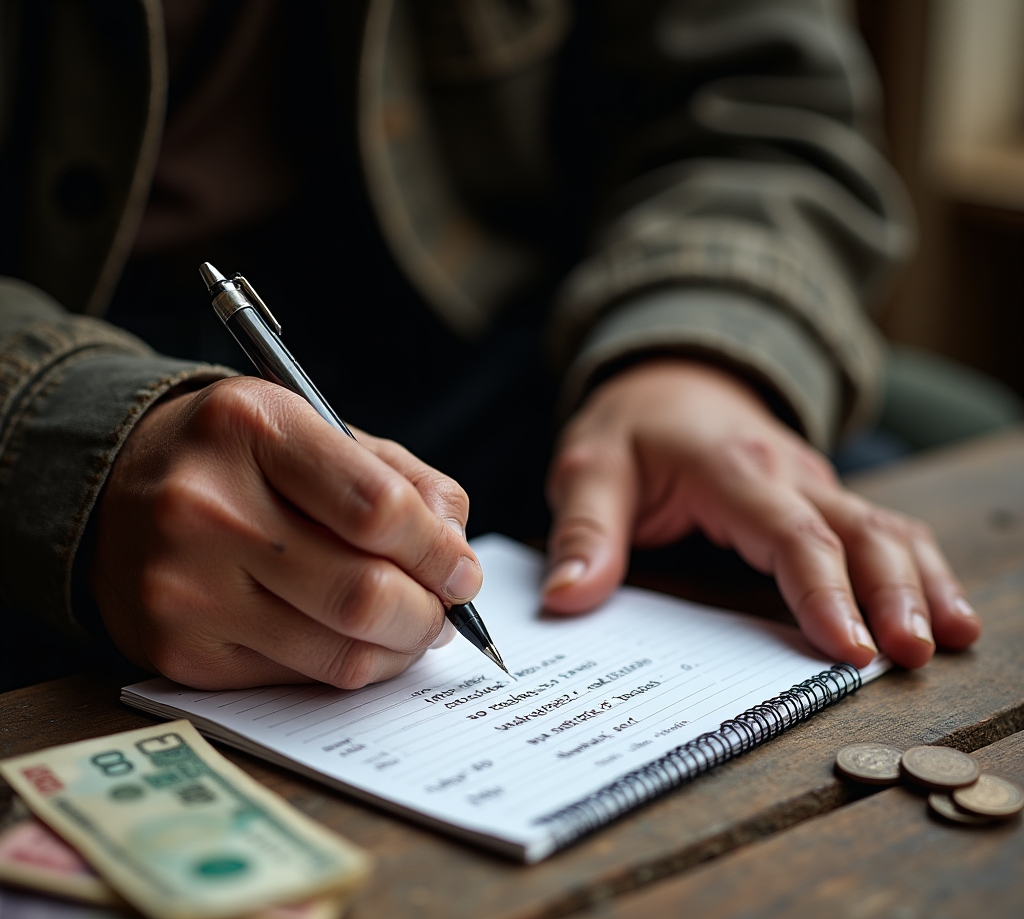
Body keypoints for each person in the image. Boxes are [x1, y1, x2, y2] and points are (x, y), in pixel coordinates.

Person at [0, 0, 984, 692]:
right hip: (72, 381)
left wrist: (696, 352)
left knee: (855, 526)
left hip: (524, 346)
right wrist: (72, 444)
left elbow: (759, 105)